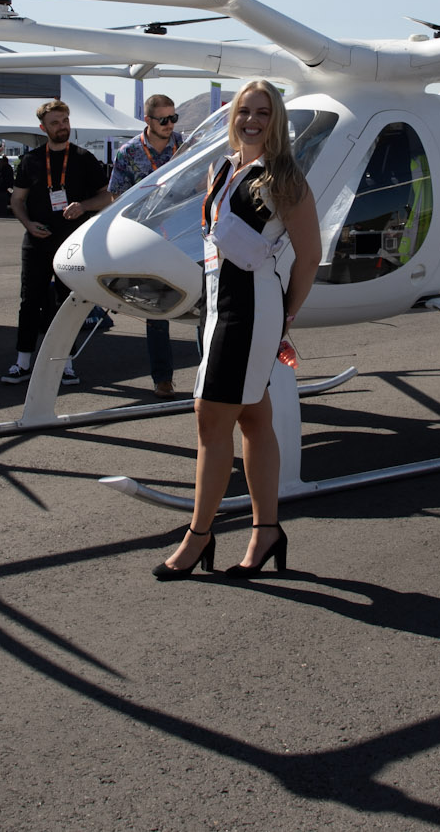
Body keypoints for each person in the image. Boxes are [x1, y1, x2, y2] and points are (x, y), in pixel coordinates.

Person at [152, 80, 322, 581]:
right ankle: (266, 531)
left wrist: (284, 316)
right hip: (220, 306)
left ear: (278, 120)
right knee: (252, 419)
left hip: (251, 311)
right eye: (244, 111)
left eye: (263, 113)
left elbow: (309, 258)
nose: (251, 120)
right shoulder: (222, 167)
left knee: (210, 418)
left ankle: (198, 535)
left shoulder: (285, 178)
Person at [5, 100, 112, 385]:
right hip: (37, 242)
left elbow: (107, 196)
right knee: (30, 300)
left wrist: (84, 206)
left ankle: (66, 363)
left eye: (64, 120)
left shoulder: (84, 158)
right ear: (43, 128)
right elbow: (17, 200)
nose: (62, 126)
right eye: (55, 123)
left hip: (73, 244)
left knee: (68, 303)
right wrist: (28, 224)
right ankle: (22, 362)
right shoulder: (31, 160)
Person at [107, 92, 188, 395]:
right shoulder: (128, 153)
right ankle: (162, 378)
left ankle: (210, 375)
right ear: (148, 120)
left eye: (173, 118)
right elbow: (117, 197)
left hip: (188, 234)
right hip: (150, 239)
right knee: (157, 311)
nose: (170, 125)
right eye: (164, 119)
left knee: (204, 307)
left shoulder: (186, 146)